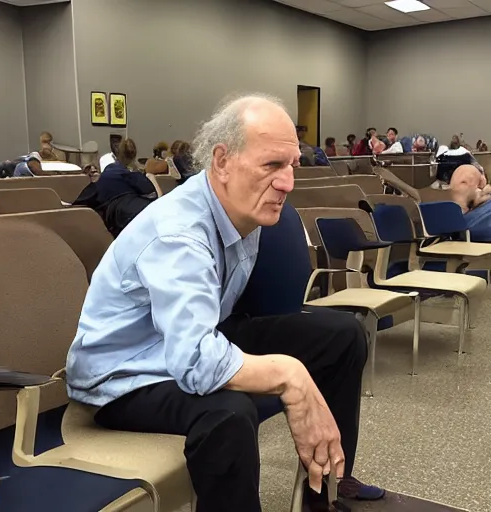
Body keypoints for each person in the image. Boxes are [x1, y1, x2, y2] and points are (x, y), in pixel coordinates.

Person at [66, 94, 383, 512]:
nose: (288, 182)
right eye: (272, 165)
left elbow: (212, 331)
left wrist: (293, 371)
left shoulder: (240, 207)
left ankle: (329, 488)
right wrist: (291, 376)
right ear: (222, 161)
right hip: (125, 376)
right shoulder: (178, 234)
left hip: (185, 341)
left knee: (342, 336)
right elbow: (196, 361)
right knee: (227, 413)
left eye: (292, 166)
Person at [73, 138, 157, 237]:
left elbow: (84, 199)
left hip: (119, 219)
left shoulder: (107, 174)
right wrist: (152, 179)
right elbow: (154, 197)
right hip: (144, 216)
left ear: (116, 156)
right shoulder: (136, 176)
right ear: (134, 155)